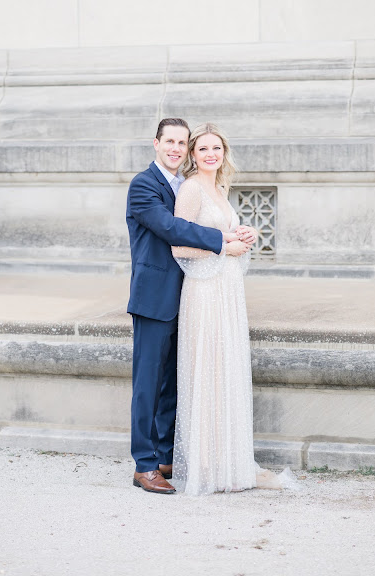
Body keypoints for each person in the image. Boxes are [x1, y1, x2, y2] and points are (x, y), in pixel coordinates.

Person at [126, 118, 256, 495]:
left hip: (193, 293)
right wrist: (222, 240)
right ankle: (144, 465)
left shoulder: (187, 185)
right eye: (170, 141)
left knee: (172, 385)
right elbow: (170, 229)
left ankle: (166, 456)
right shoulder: (143, 186)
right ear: (156, 143)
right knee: (148, 385)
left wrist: (242, 232)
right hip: (154, 297)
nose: (175, 148)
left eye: (182, 142)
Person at [172, 122, 294, 495]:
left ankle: (230, 459)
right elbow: (179, 246)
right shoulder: (191, 188)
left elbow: (221, 234)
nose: (211, 154)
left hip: (226, 290)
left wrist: (243, 234)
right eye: (203, 149)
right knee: (208, 370)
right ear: (193, 155)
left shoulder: (221, 189)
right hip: (205, 292)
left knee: (226, 369)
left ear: (224, 154)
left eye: (217, 149)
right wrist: (224, 246)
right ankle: (208, 465)